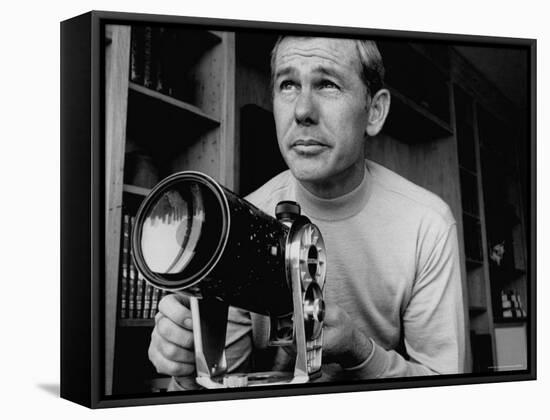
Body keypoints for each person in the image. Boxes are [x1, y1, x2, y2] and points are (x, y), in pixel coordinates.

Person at [148, 35, 465, 389]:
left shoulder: (427, 225)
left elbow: (444, 389)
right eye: (287, 84)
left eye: (327, 84)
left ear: (374, 111)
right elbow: (221, 394)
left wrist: (358, 351)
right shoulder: (237, 223)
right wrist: (188, 375)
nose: (301, 111)